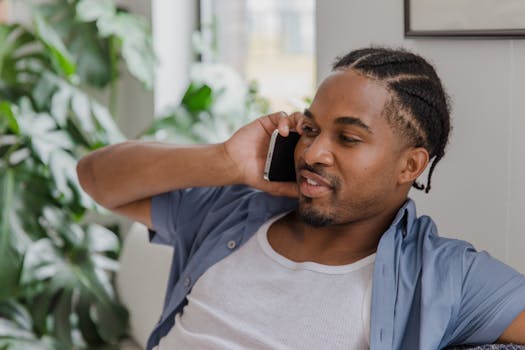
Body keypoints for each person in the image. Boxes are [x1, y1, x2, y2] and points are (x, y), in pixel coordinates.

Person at [77, 47, 525, 350]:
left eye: (347, 138)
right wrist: (225, 162)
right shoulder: (234, 209)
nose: (312, 152)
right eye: (310, 128)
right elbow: (95, 177)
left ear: (410, 166)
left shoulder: (445, 274)